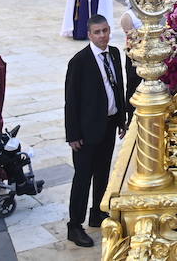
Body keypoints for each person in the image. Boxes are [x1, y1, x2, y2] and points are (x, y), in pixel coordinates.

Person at [65, 14, 127, 248]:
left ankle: (97, 212)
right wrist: (73, 134)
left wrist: (121, 118)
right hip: (86, 130)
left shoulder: (114, 53)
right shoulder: (79, 61)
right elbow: (71, 100)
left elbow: (117, 86)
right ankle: (74, 225)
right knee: (83, 177)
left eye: (105, 31)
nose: (103, 36)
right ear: (89, 35)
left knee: (103, 172)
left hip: (108, 124)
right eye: (98, 32)